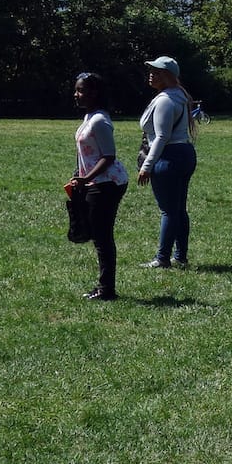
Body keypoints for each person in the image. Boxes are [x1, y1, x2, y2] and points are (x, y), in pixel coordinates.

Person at [70, 72, 129, 300]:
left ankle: (107, 290)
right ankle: (104, 287)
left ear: (94, 93)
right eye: (76, 90)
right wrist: (79, 175)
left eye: (81, 90)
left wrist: (86, 178)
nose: (76, 94)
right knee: (96, 234)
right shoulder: (89, 117)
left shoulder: (99, 121)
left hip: (108, 183)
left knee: (102, 237)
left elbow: (108, 156)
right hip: (94, 182)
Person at [138, 56, 198, 269]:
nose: (151, 75)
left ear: (168, 76)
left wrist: (146, 167)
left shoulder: (165, 100)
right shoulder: (179, 96)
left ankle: (162, 258)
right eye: (151, 71)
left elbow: (162, 137)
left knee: (169, 211)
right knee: (179, 209)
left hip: (169, 156)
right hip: (185, 152)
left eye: (157, 72)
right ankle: (180, 256)